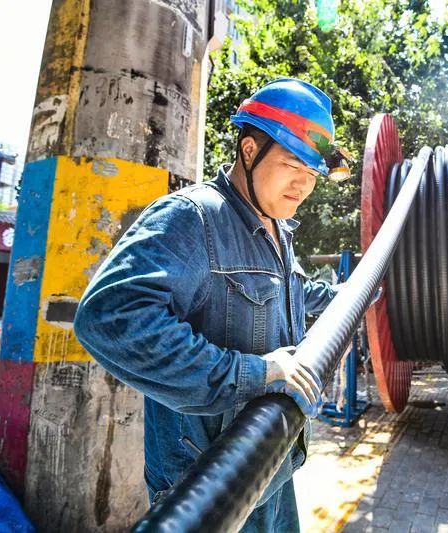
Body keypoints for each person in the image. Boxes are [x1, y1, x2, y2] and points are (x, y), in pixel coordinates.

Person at [73, 77, 353, 532]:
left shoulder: (277, 230)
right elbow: (109, 317)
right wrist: (253, 373)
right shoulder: (194, 218)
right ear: (249, 150)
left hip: (273, 466)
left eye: (312, 174)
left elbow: (294, 293)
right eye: (291, 166)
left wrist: (353, 296)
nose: (303, 185)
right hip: (206, 486)